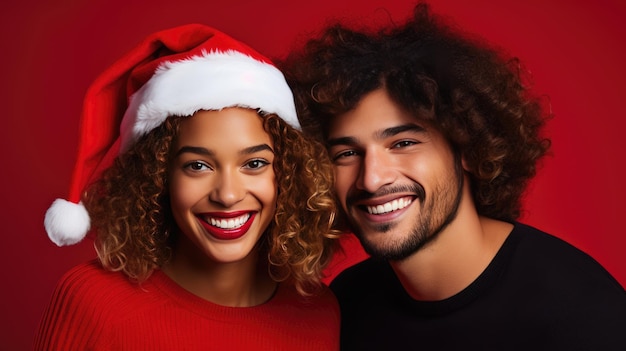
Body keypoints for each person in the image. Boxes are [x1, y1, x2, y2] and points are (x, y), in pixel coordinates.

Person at [281, 2, 626, 350]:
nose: (371, 179)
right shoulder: (349, 304)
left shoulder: (583, 316)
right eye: (348, 154)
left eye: (402, 143)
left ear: (467, 150)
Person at [35, 24, 341, 350]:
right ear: (157, 176)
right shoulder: (96, 303)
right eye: (198, 166)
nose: (228, 194)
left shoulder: (318, 313)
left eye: (254, 164)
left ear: (288, 173)